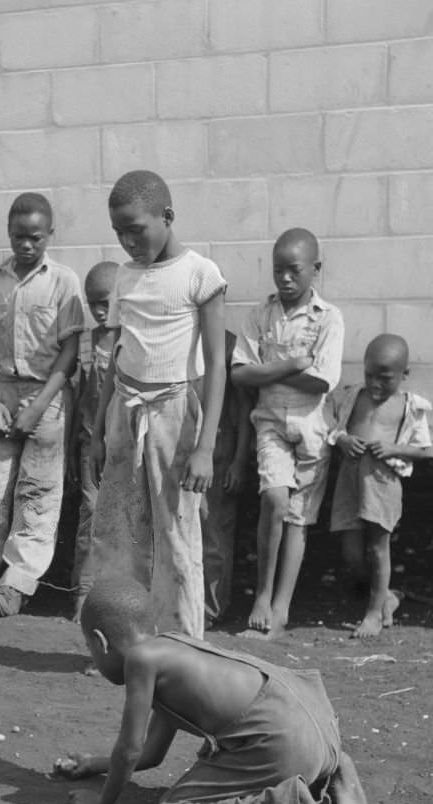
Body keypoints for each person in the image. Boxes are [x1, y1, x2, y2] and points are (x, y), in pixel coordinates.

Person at [53, 576, 369, 804]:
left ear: (101, 642)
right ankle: (335, 774)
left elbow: (130, 749)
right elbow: (151, 753)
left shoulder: (140, 661)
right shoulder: (173, 651)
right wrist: (94, 764)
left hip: (285, 742)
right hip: (319, 728)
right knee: (238, 751)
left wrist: (102, 802)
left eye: (89, 647)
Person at [89, 170, 229, 640]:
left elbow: (216, 364)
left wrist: (205, 447)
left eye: (137, 229)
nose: (128, 241)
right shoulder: (125, 277)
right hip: (124, 413)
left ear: (167, 216)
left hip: (175, 413)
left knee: (175, 534)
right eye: (119, 233)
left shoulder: (200, 274)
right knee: (120, 531)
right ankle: (122, 640)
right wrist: (98, 431)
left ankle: (182, 644)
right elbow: (118, 355)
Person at [0, 192, 85, 617]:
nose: (26, 246)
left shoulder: (64, 281)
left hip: (45, 398)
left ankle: (16, 583)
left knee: (38, 491)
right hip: (3, 395)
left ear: (50, 234)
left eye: (34, 237)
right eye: (17, 237)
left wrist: (39, 406)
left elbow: (69, 351)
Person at [231, 228, 344, 639]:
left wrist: (270, 371)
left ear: (315, 269)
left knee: (298, 519)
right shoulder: (261, 315)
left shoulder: (328, 318)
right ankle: (261, 594)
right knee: (274, 500)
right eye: (278, 270)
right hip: (271, 424)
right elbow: (240, 374)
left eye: (294, 270)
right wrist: (293, 364)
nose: (285, 279)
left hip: (313, 428)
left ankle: (280, 609)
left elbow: (323, 381)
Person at [327, 334, 432, 637]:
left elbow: (424, 449)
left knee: (377, 547)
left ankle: (373, 614)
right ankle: (386, 595)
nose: (375, 384)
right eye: (369, 375)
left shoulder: (410, 407)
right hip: (350, 477)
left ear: (404, 375)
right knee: (350, 550)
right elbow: (334, 429)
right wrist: (343, 440)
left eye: (384, 379)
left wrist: (394, 448)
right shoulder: (352, 396)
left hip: (382, 481)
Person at [68, 260, 119, 623]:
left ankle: (117, 598)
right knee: (91, 517)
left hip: (125, 448)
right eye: (93, 304)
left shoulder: (130, 339)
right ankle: (83, 598)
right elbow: (81, 394)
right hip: (90, 446)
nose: (101, 311)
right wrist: (74, 444)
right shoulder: (86, 342)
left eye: (108, 302)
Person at [200, 330, 252, 629]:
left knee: (214, 531)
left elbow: (244, 408)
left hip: (220, 448)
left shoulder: (231, 344)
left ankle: (211, 608)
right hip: (183, 443)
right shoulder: (179, 330)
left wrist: (239, 461)